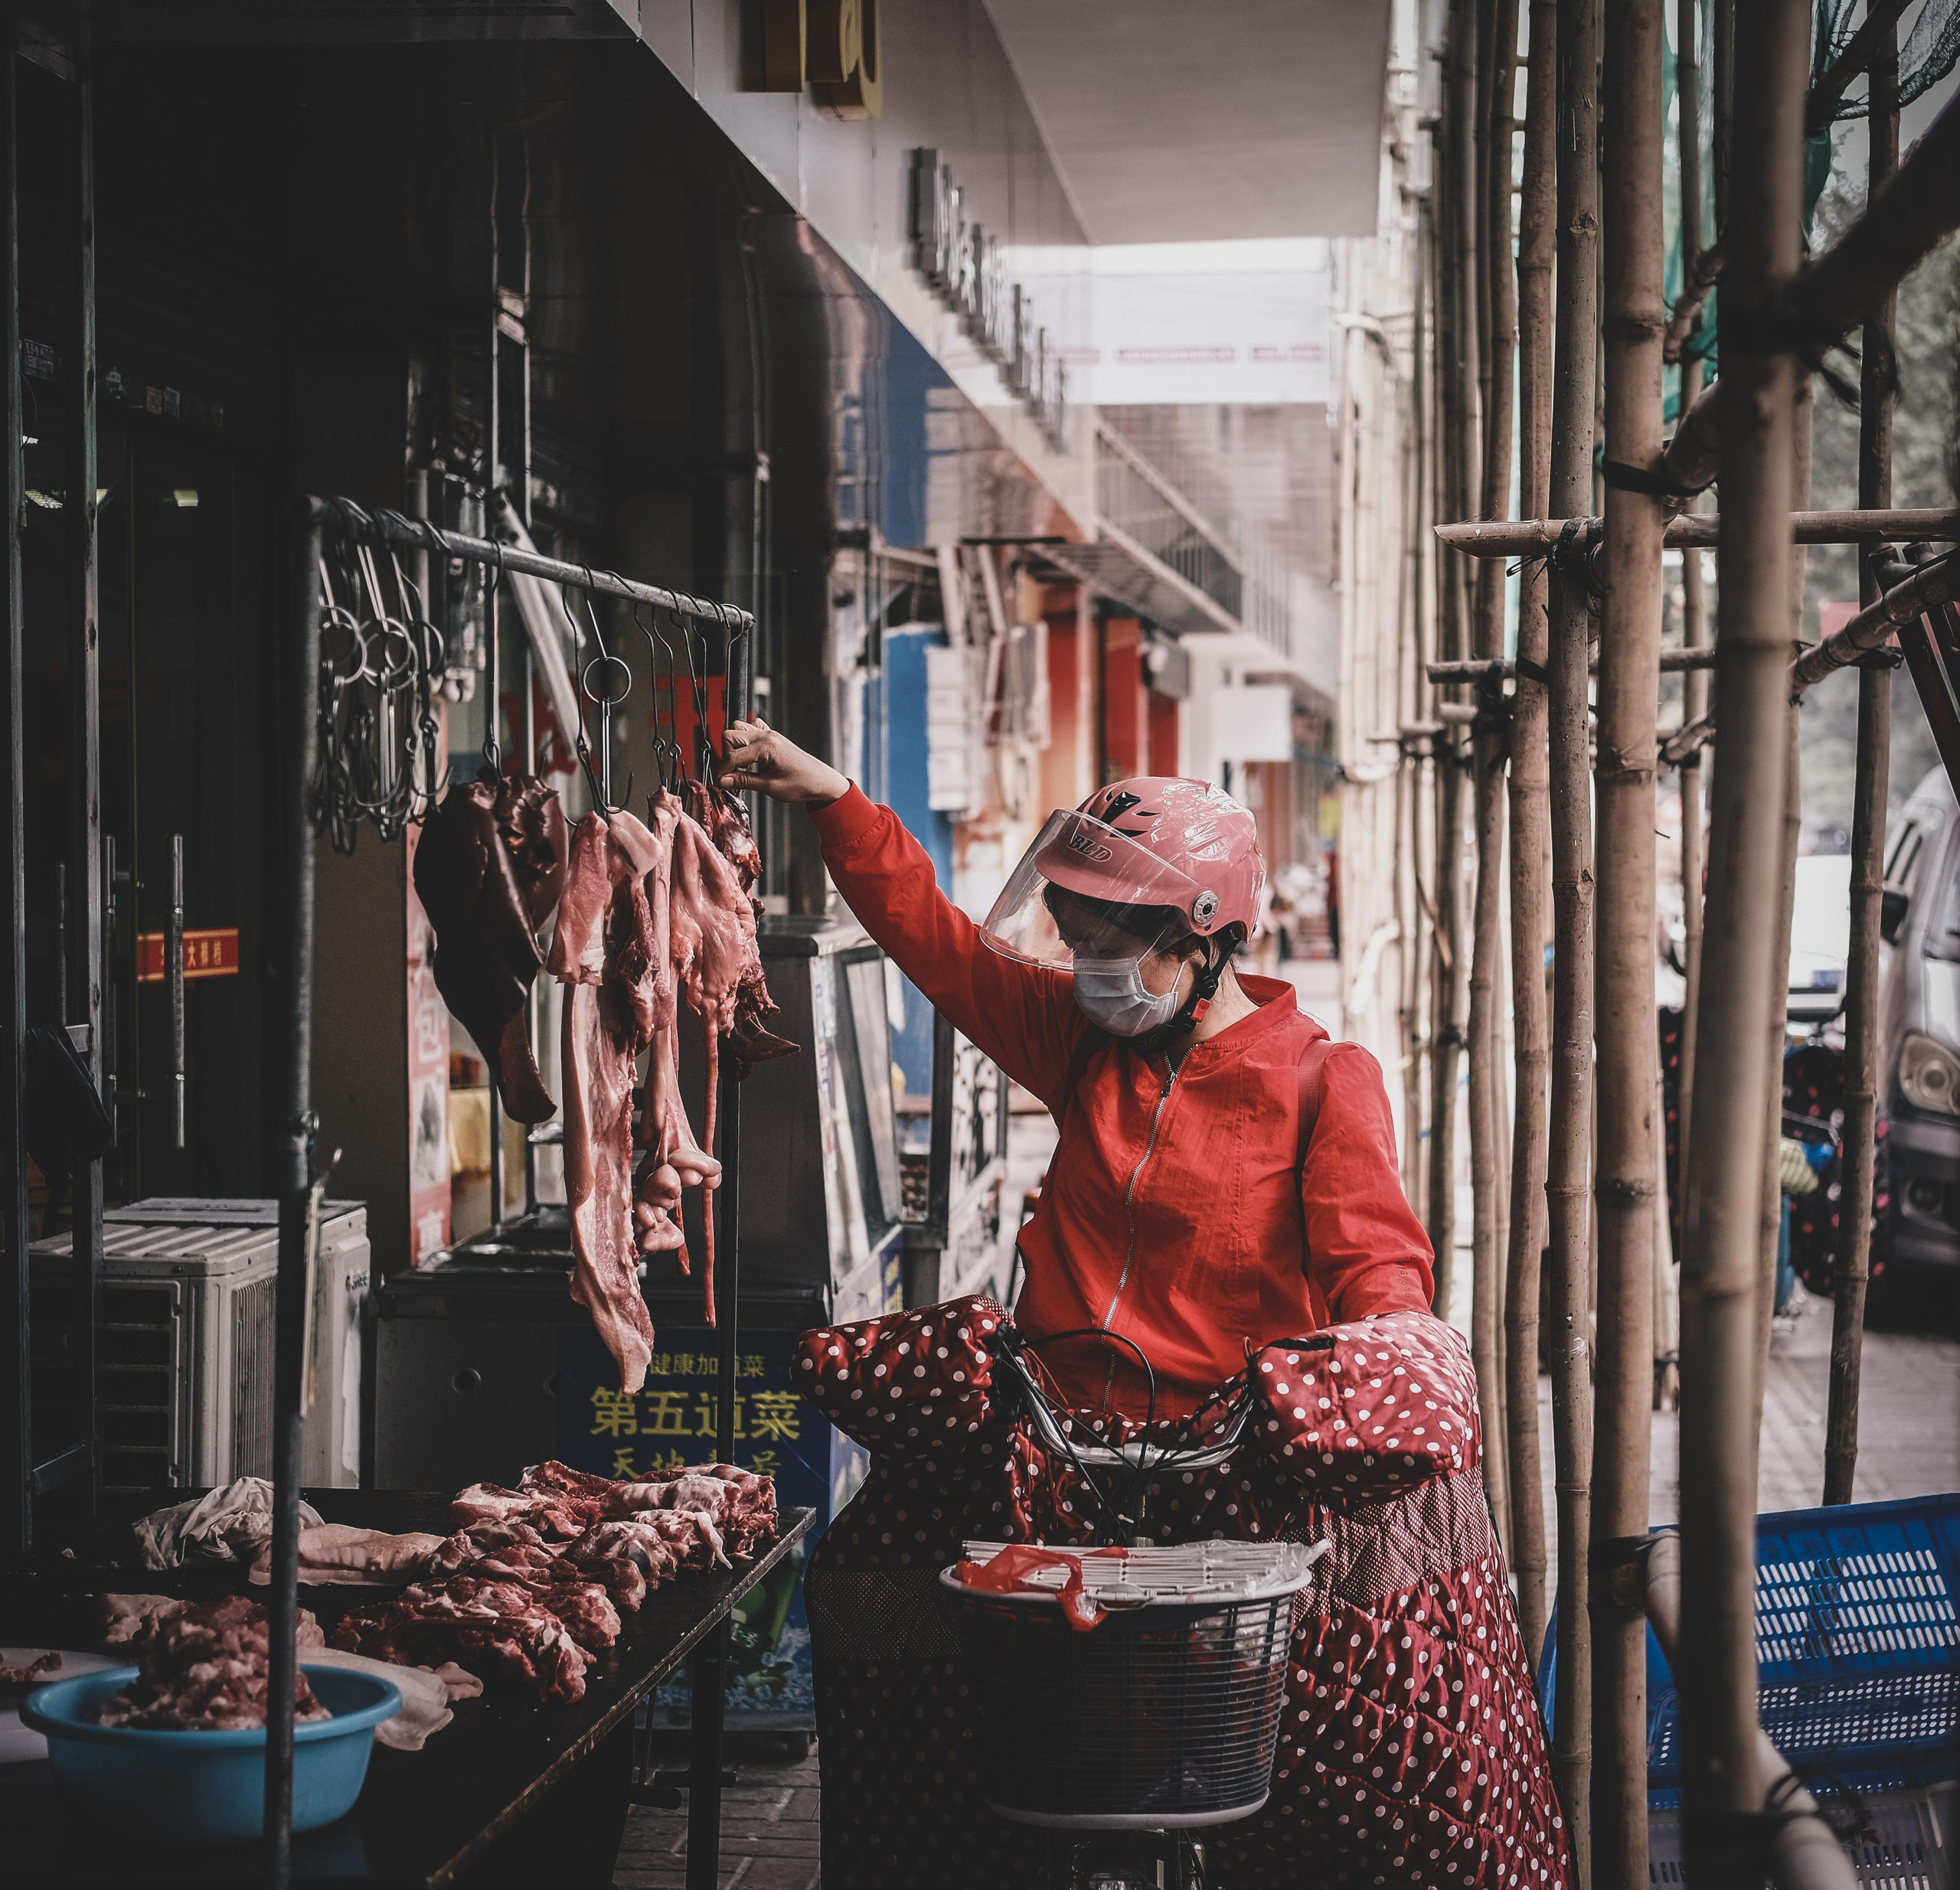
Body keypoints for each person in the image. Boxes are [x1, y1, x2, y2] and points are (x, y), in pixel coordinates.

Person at [721, 721, 1572, 1890]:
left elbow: (1383, 1280)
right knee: (890, 1616)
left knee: (1335, 1771)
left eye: (1108, 949)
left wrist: (1384, 1365)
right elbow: (938, 943)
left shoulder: (1324, 1083)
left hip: (1233, 1494)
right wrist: (836, 801)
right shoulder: (1082, 1043)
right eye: (1074, 944)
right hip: (1053, 1473)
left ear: (1204, 940)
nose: (1085, 971)